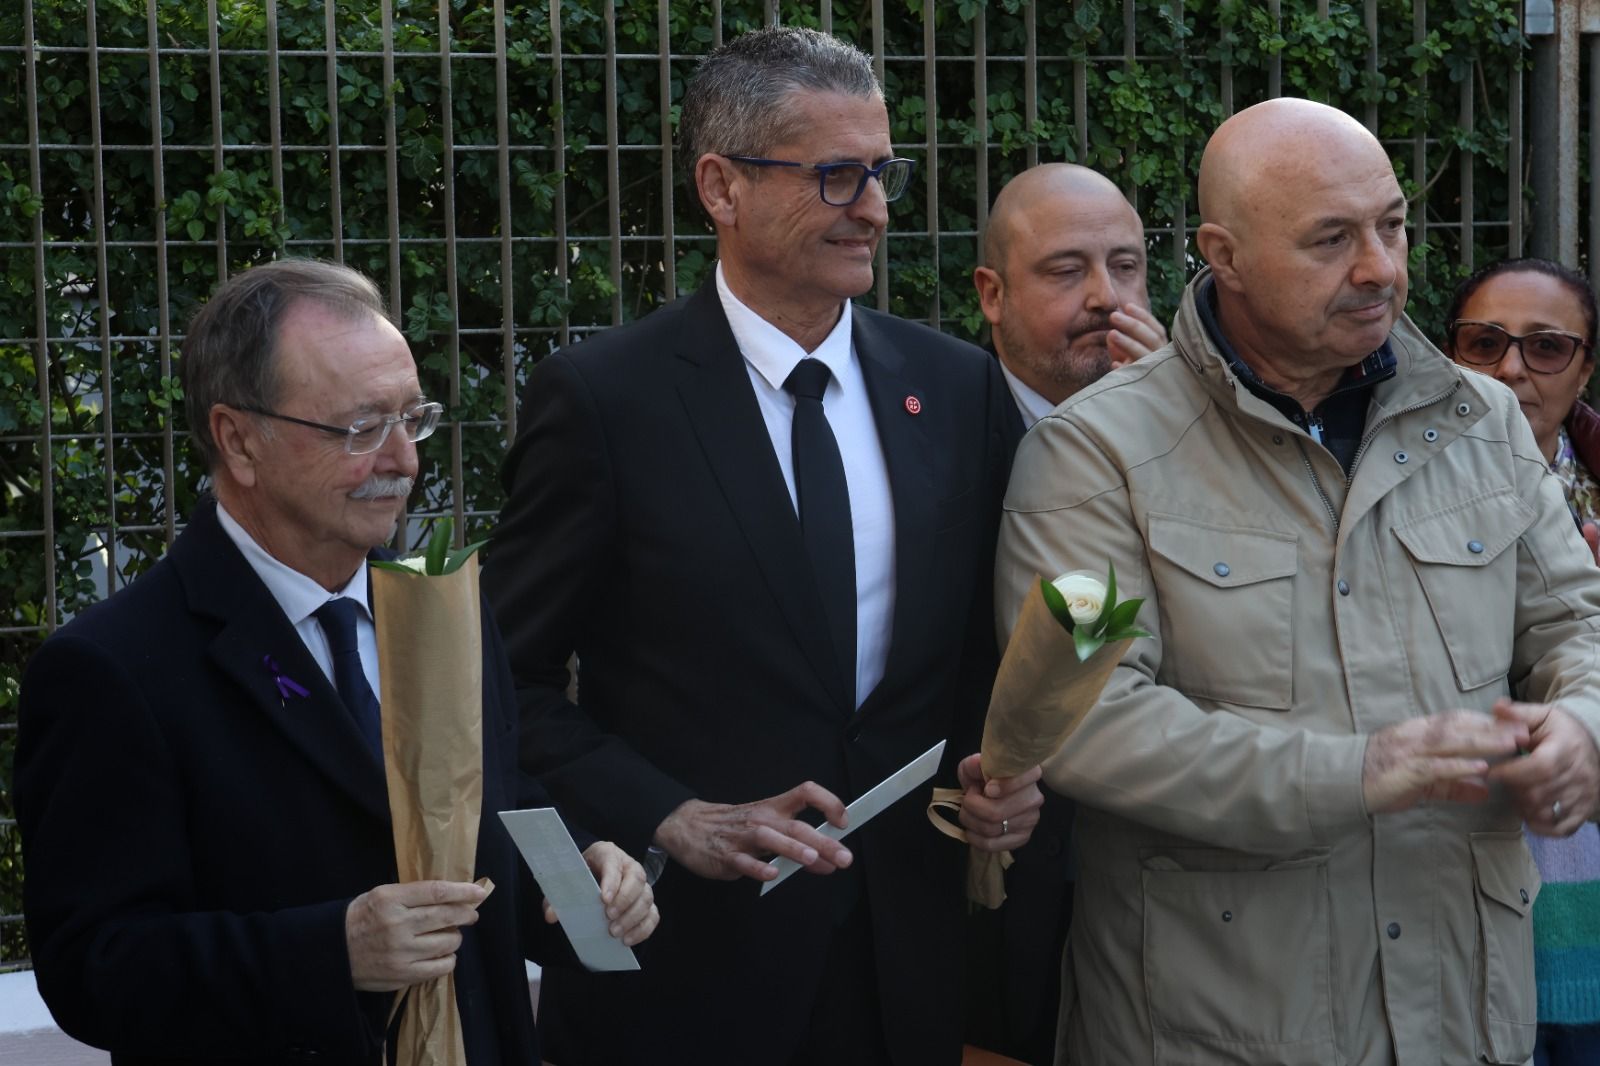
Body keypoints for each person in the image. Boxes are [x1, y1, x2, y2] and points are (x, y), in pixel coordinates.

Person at [995, 97, 1600, 1066]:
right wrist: (1353, 772)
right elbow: (1086, 718)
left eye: (1392, 225)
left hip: (1461, 1015)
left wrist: (1581, 727)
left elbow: (1577, 623)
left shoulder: (1479, 421)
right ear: (1222, 254)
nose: (1380, 267)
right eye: (1330, 239)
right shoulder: (1095, 455)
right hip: (1216, 1026)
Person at [488, 26, 1042, 1066]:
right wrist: (670, 813)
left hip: (905, 967)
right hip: (687, 974)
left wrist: (998, 775)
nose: (874, 208)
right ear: (720, 186)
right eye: (836, 176)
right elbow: (499, 683)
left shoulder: (957, 391)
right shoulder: (608, 402)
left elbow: (981, 650)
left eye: (882, 172)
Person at [14, 259, 658, 1065]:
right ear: (238, 439)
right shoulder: (113, 668)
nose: (403, 461)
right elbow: (91, 968)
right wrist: (332, 951)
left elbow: (489, 814)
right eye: (359, 429)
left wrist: (579, 879)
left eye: (411, 419)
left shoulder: (445, 614)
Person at [965, 162, 1168, 1064]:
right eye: (1066, 270)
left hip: (1168, 875)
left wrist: (1176, 426)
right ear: (992, 295)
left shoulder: (1203, 433)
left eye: (1125, 267)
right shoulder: (941, 438)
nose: (1104, 297)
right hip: (997, 873)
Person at [1444, 257, 1600, 1066]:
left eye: (1546, 347)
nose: (1510, 368)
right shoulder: (1395, 490)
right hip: (1459, 895)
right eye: (1485, 342)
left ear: (1585, 366)